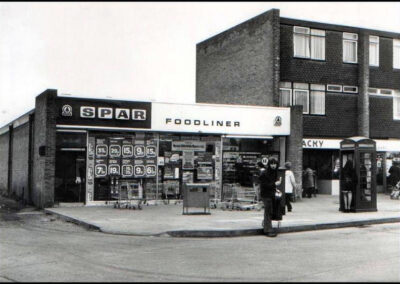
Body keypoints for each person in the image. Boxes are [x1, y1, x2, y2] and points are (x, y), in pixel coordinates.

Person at [258, 159, 281, 237]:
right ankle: (268, 230)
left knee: (270, 211)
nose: (273, 165)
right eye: (272, 164)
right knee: (268, 210)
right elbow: (264, 185)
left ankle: (266, 225)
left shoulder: (274, 172)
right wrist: (275, 184)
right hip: (265, 194)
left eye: (275, 164)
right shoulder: (264, 173)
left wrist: (275, 189)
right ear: (269, 164)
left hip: (271, 194)